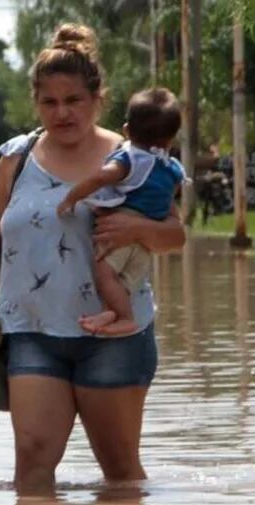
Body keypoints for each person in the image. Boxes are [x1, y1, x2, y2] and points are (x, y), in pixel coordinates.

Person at [0, 24, 186, 494]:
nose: (62, 112)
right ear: (36, 102)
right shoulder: (15, 158)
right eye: (49, 102)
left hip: (112, 336)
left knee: (120, 474)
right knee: (32, 467)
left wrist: (138, 228)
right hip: (32, 332)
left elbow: (175, 235)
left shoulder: (132, 159)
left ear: (98, 98)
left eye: (73, 100)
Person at [56, 87, 184, 336]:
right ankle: (111, 310)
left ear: (126, 130)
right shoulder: (173, 169)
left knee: (104, 276)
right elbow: (170, 199)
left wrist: (72, 197)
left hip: (121, 230)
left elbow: (102, 177)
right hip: (145, 244)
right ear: (170, 140)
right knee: (121, 283)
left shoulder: (130, 159)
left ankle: (125, 317)